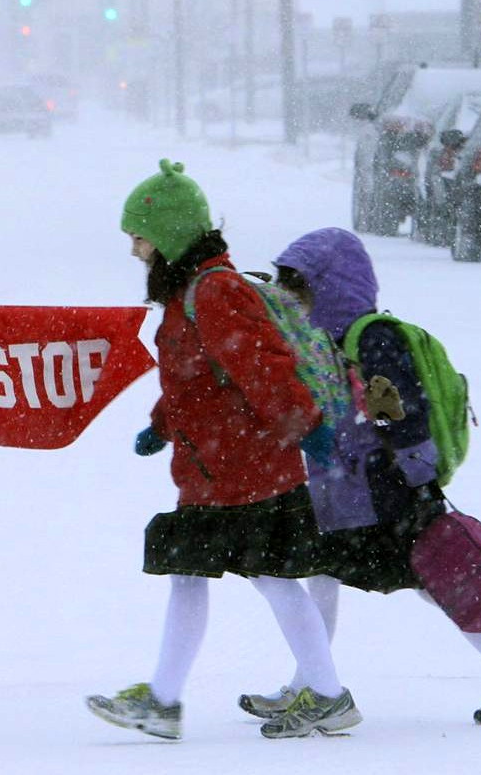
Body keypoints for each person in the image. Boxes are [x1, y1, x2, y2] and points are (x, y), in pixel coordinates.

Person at [84, 160, 362, 740]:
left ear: (170, 235)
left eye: (141, 237)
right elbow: (194, 379)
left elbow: (264, 369)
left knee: (269, 577)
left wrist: (305, 426)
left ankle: (326, 696)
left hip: (247, 465)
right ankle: (165, 700)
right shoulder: (190, 292)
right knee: (197, 573)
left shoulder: (215, 291)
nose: (135, 250)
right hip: (213, 465)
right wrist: (162, 424)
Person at [237, 227, 481, 726]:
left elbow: (399, 411)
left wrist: (415, 474)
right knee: (327, 574)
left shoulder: (372, 336)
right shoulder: (329, 340)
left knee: (436, 580)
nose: (292, 296)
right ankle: (309, 684)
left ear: (329, 285)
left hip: (388, 490)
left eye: (299, 285)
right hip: (351, 487)